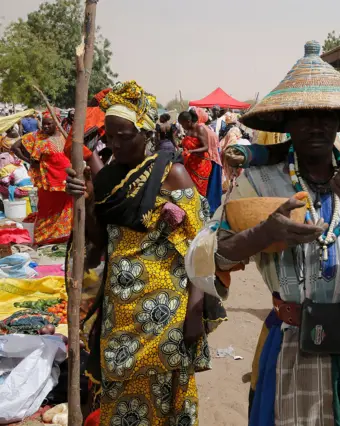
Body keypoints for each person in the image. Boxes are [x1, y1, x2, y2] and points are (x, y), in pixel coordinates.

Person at [202, 41, 340, 426]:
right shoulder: (258, 183)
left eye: (327, 114)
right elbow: (209, 258)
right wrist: (262, 234)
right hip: (290, 343)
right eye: (304, 115)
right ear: (286, 122)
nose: (317, 124)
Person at [65, 80, 222, 426]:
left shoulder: (172, 175)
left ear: (147, 133)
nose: (116, 143)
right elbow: (100, 242)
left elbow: (201, 246)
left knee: (166, 397)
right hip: (120, 313)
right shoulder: (108, 181)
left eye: (125, 135)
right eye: (110, 135)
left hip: (166, 313)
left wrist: (195, 311)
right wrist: (84, 198)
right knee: (121, 397)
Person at [12, 110, 72, 245]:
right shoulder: (37, 136)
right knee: (46, 209)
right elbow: (15, 147)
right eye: (43, 124)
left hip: (65, 181)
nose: (45, 127)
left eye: (48, 124)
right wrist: (29, 160)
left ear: (56, 123)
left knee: (65, 208)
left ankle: (62, 237)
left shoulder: (64, 135)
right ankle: (43, 238)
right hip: (47, 183)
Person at [177, 110, 214, 197]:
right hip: (190, 164)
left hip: (201, 165)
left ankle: (200, 207)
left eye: (183, 124)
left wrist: (191, 151)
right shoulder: (189, 130)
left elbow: (206, 147)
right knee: (189, 189)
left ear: (188, 122)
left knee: (199, 191)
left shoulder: (200, 129)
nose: (182, 126)